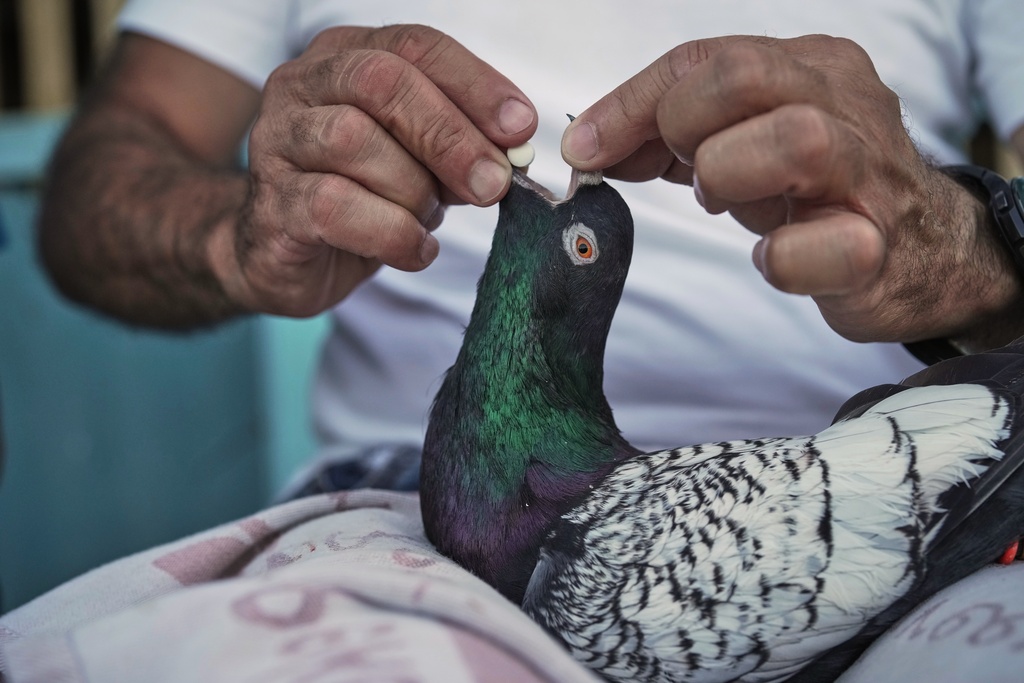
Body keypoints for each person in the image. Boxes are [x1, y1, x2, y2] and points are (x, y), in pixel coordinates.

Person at [36, 0, 1024, 494]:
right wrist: (236, 239)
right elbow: (95, 190)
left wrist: (966, 251)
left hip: (889, 486)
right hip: (411, 516)